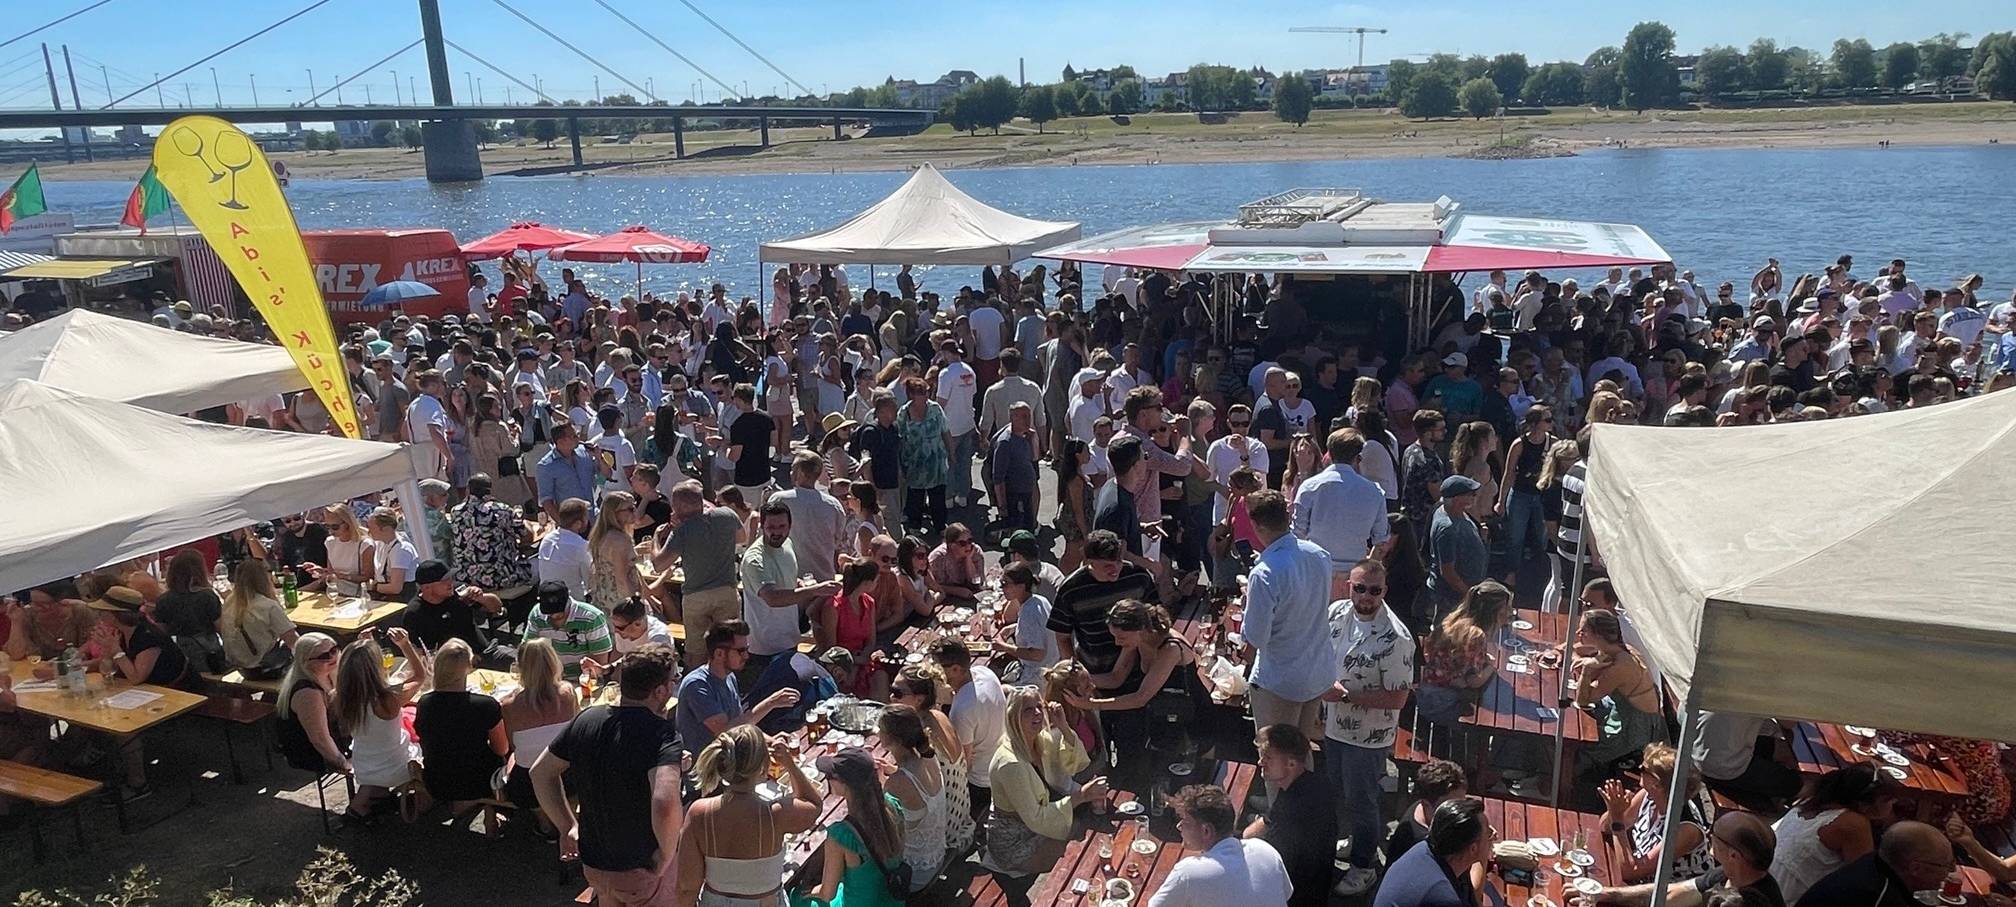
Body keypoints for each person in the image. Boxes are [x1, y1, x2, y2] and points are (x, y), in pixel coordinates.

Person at [531, 643, 685, 907]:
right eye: (673, 680)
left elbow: (540, 772)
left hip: (594, 863)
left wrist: (567, 825)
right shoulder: (663, 736)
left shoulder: (588, 719)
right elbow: (664, 802)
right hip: (640, 866)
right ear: (661, 690)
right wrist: (666, 856)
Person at [1324, 558, 1417, 895]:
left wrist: (1346, 696)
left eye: (1373, 591)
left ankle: (1363, 866)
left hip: (1368, 737)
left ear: (1384, 592)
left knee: (1362, 801)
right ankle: (1351, 844)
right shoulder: (1336, 613)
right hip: (1333, 728)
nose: (1365, 596)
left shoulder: (1397, 638)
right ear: (1349, 585)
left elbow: (1398, 699)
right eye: (1359, 588)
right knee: (1337, 791)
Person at [675, 725, 822, 907]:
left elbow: (687, 887)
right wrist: (789, 763)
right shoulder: (775, 814)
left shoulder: (699, 813)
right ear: (762, 765)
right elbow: (814, 804)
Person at [1241, 489, 1335, 748]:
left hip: (1281, 680)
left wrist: (1248, 604)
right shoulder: (1319, 555)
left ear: (1257, 525)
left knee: (1277, 761)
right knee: (1301, 752)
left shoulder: (1264, 573)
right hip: (1316, 672)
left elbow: (1256, 637)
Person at [984, 686, 1110, 877]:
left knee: (1083, 839)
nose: (1036, 713)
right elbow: (1035, 818)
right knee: (1071, 861)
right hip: (1014, 839)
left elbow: (1075, 765)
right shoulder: (1010, 763)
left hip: (1037, 824)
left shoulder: (1037, 740)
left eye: (1038, 706)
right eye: (1028, 710)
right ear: (1013, 717)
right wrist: (1082, 795)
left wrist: (1063, 726)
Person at [1584, 811, 1785, 907]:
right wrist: (1607, 894)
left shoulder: (1749, 903)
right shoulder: (1730, 873)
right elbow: (1674, 892)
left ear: (1733, 855)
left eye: (1713, 835)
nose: (1707, 835)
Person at [739, 502, 841, 685]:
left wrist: (799, 583)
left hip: (789, 639)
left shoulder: (787, 545)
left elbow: (786, 580)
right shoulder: (755, 558)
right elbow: (772, 598)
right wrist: (814, 590)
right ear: (762, 526)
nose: (776, 532)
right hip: (763, 648)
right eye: (771, 527)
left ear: (790, 526)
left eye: (781, 526)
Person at [332, 629, 427, 822]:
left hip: (363, 764)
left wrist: (368, 644)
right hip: (395, 767)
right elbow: (419, 676)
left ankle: (366, 801)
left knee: (380, 757)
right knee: (423, 742)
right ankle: (424, 802)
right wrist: (405, 645)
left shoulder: (339, 696)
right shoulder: (388, 699)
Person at [650, 480, 745, 667]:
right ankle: (729, 683)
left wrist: (656, 538)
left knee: (697, 651)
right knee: (728, 646)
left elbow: (659, 565)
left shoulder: (681, 531)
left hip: (695, 596)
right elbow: (741, 538)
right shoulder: (727, 515)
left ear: (676, 507)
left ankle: (698, 685)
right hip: (726, 590)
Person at [1149, 783, 1291, 907]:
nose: (1179, 826)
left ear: (1206, 831)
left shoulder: (1188, 873)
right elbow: (1286, 893)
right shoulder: (1265, 850)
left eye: (1185, 822)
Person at [1769, 763, 1895, 903]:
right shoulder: (1853, 824)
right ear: (1866, 803)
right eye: (1888, 801)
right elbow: (1864, 880)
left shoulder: (1815, 799)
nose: (1893, 804)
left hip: (1769, 883)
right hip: (1789, 898)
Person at [674, 619, 801, 753]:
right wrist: (771, 702)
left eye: (746, 649)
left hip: (732, 757)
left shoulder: (729, 677)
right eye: (741, 651)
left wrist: (771, 741)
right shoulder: (697, 686)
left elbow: (742, 725)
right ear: (719, 654)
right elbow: (727, 732)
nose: (746, 656)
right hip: (707, 768)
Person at [1244, 725, 1337, 907]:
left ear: (1291, 764)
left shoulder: (1292, 812)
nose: (1260, 762)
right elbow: (1267, 821)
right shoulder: (1312, 783)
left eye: (1268, 758)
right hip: (1319, 884)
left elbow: (1271, 865)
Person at [1291, 429, 1392, 595]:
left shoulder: (1310, 486)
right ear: (1358, 457)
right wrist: (1367, 569)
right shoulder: (1375, 491)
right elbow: (1381, 543)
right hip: (1355, 577)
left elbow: (1297, 534)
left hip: (1316, 571)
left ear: (1329, 454)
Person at [890, 663, 976, 855]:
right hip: (961, 817)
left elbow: (915, 784)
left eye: (898, 693)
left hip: (946, 832)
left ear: (919, 699)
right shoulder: (938, 715)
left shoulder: (918, 734)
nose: (891, 697)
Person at [806, 746, 908, 907]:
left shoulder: (841, 836)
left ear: (846, 784)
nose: (827, 778)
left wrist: (807, 892)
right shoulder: (893, 807)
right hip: (893, 901)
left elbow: (827, 894)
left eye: (830, 775)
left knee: (798, 898)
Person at [413, 639, 508, 811]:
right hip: (480, 782)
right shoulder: (486, 705)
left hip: (437, 782)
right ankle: (493, 812)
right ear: (468, 667)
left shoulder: (425, 703)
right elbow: (501, 749)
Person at [1048, 530, 1157, 679]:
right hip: (1095, 671)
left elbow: (1155, 614)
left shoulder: (1138, 577)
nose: (1115, 569)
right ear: (1090, 561)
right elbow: (1062, 636)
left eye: (1118, 562)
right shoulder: (1070, 589)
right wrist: (1074, 671)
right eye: (1107, 565)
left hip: (1138, 668)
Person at [1601, 741, 1714, 884]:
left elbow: (1630, 871)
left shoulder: (1685, 829)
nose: (1638, 769)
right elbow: (1604, 827)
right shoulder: (1647, 796)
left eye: (1643, 768)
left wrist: (1617, 819)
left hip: (1673, 896)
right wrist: (1615, 810)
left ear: (1657, 783)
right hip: (1645, 882)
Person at [1574, 608, 1668, 775]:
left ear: (1599, 635)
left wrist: (1587, 670)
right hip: (1621, 711)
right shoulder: (1616, 649)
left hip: (1633, 728)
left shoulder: (1621, 665)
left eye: (1584, 630)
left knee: (1580, 745)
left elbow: (1583, 700)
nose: (1578, 632)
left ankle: (1570, 782)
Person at [498, 638, 580, 828]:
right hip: (568, 775)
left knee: (514, 761)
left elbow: (512, 745)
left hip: (528, 783)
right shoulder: (567, 694)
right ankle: (566, 815)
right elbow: (575, 733)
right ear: (553, 662)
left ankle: (544, 819)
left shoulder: (509, 705)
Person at [929, 637, 1006, 831]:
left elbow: (963, 764)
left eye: (938, 667)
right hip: (999, 758)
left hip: (980, 783)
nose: (934, 671)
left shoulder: (962, 710)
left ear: (955, 669)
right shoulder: (985, 672)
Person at [1415, 581, 1512, 727]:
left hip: (1426, 694)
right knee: (1492, 712)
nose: (1510, 611)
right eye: (1507, 607)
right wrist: (1493, 666)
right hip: (1442, 703)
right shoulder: (1476, 636)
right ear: (1495, 611)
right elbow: (1473, 681)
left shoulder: (1457, 621)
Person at [1793, 821, 1953, 907]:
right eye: (1946, 865)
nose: (1950, 871)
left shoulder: (1873, 863)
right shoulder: (1876, 895)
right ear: (1915, 868)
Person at [1372, 797, 1495, 907]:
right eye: (1488, 834)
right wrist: (1483, 856)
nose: (1491, 838)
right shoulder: (1443, 897)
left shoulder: (1424, 849)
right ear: (1473, 849)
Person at [878, 704, 949, 891]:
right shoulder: (928, 757)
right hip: (936, 857)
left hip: (913, 875)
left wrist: (876, 782)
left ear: (890, 739)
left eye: (880, 729)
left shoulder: (898, 783)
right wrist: (893, 771)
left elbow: (881, 828)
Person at [274, 632, 350, 776]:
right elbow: (319, 739)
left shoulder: (329, 674)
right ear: (306, 663)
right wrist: (345, 764)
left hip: (334, 740)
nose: (332, 657)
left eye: (334, 650)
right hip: (312, 754)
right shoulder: (308, 693)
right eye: (324, 656)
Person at [451, 474, 535, 595]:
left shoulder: (455, 512)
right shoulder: (501, 509)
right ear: (490, 490)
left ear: (468, 490)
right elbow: (527, 536)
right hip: (501, 578)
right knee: (536, 565)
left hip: (466, 578)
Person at [218, 558, 300, 672]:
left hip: (239, 667)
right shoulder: (269, 606)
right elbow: (294, 642)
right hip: (264, 667)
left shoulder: (230, 601)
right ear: (263, 577)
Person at [522, 580, 614, 681]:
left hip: (582, 679)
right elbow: (528, 649)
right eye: (549, 611)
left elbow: (599, 662)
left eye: (559, 610)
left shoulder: (592, 618)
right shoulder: (536, 615)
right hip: (548, 678)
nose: (554, 615)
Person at [403, 560, 497, 657]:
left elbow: (496, 608)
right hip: (452, 666)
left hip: (486, 652)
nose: (450, 582)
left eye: (450, 577)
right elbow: (418, 653)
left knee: (513, 659)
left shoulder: (459, 591)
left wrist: (481, 598)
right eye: (444, 580)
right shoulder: (415, 613)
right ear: (427, 588)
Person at [1424, 475, 1488, 618]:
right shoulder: (1447, 529)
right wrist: (1468, 594)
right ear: (1457, 499)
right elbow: (1448, 572)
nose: (1474, 496)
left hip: (1463, 592)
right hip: (1452, 596)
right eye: (1470, 494)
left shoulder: (1456, 512)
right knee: (1446, 633)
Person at [1385, 759, 1469, 863]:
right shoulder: (1423, 843)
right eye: (1452, 806)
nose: (1459, 811)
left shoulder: (1425, 808)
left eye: (1462, 803)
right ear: (1427, 805)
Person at [898, 376, 952, 534]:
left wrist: (951, 452)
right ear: (912, 395)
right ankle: (915, 525)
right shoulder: (904, 412)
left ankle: (940, 525)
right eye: (921, 392)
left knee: (938, 495)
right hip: (915, 461)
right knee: (916, 496)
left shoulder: (935, 408)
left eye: (926, 391)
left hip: (936, 460)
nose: (926, 395)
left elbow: (945, 430)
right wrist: (900, 463)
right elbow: (900, 437)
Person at [304, 504, 374, 598]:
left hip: (357, 596)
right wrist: (320, 570)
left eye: (335, 527)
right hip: (335, 593)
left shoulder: (364, 544)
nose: (331, 531)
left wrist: (342, 576)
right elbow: (332, 573)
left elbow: (368, 577)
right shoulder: (330, 542)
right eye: (327, 526)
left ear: (347, 524)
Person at [536, 498, 595, 600]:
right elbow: (590, 582)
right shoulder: (581, 546)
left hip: (546, 599)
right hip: (572, 603)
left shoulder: (546, 539)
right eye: (586, 517)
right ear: (578, 524)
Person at [363, 507, 421, 600]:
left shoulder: (401, 549)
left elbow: (395, 588)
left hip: (402, 599)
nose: (369, 532)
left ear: (385, 529)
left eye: (371, 528)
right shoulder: (381, 544)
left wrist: (372, 586)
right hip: (386, 596)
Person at [607, 596, 673, 656]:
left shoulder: (659, 636)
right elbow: (620, 654)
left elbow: (656, 664)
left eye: (620, 628)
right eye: (614, 625)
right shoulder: (622, 631)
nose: (616, 631)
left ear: (637, 623)